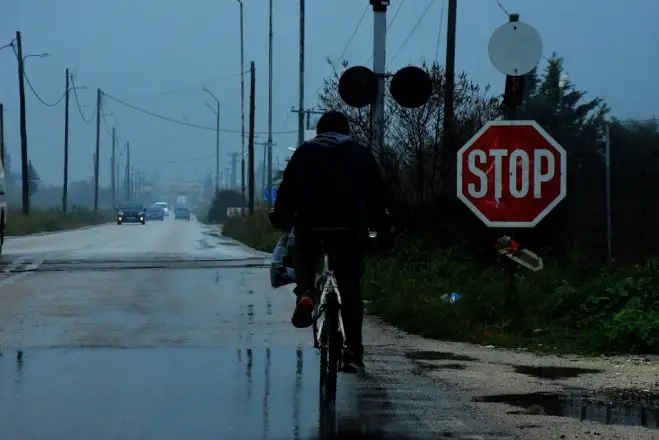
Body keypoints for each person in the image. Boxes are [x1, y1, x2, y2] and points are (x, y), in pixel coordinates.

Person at [269, 110, 389, 373]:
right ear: (347, 131)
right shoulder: (359, 153)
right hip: (350, 229)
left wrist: (281, 217)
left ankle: (306, 293)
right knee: (350, 288)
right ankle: (353, 354)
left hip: (311, 225)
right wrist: (380, 223)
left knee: (304, 256)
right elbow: (377, 195)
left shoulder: (304, 153)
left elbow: (287, 190)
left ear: (318, 132)